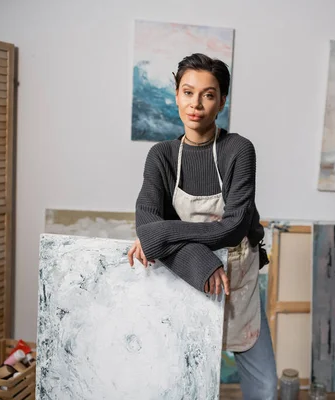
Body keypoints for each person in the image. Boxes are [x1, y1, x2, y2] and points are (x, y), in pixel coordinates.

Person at [127, 53, 278, 400]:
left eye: (208, 95)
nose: (196, 104)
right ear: (177, 95)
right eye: (188, 92)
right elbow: (146, 218)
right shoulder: (161, 156)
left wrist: (161, 235)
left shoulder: (238, 149)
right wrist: (200, 260)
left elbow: (234, 227)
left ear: (222, 101)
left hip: (238, 280)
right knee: (183, 384)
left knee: (266, 387)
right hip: (185, 279)